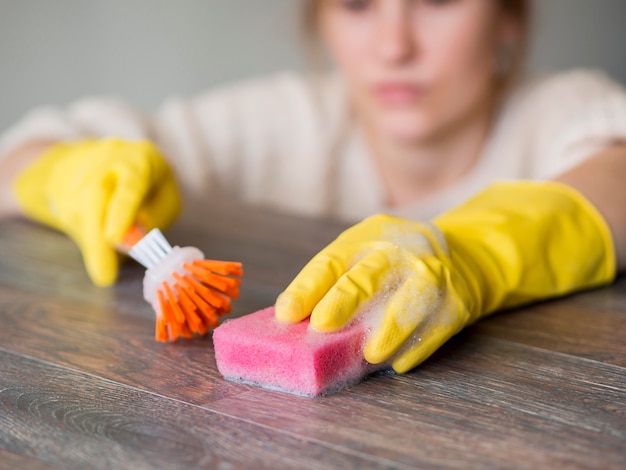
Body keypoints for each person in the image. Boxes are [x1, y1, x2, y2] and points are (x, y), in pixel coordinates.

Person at [1, 0, 625, 373]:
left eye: (438, 0)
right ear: (319, 23)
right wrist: (65, 175)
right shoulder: (290, 120)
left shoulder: (560, 108)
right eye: (356, 4)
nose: (394, 45)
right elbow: (15, 160)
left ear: (508, 18)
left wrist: (476, 252)